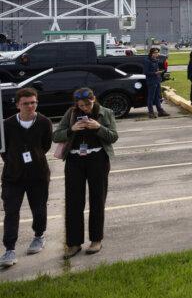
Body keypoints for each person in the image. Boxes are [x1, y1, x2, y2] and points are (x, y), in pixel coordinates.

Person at [53, 87, 119, 259]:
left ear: (94, 99)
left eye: (88, 104)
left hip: (98, 159)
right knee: (74, 201)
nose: (85, 108)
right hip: (74, 161)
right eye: (81, 105)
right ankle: (74, 243)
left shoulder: (106, 113)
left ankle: (96, 240)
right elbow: (56, 136)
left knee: (97, 199)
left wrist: (98, 127)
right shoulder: (71, 113)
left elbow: (113, 136)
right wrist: (71, 129)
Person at [1, 88, 52, 267]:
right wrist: (15, 161)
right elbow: (3, 149)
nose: (30, 106)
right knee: (11, 211)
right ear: (17, 105)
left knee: (38, 208)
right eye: (25, 103)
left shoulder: (44, 122)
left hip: (38, 174)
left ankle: (39, 236)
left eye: (33, 102)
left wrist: (33, 157)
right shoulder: (6, 125)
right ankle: (9, 250)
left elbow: (45, 146)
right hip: (12, 176)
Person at [144, 47, 168, 118]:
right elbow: (146, 72)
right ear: (151, 53)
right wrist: (155, 73)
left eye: (157, 52)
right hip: (151, 81)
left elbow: (157, 70)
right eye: (155, 52)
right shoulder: (147, 61)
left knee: (157, 97)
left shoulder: (155, 60)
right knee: (151, 98)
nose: (157, 54)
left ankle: (160, 111)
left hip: (157, 80)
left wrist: (160, 73)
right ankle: (150, 112)